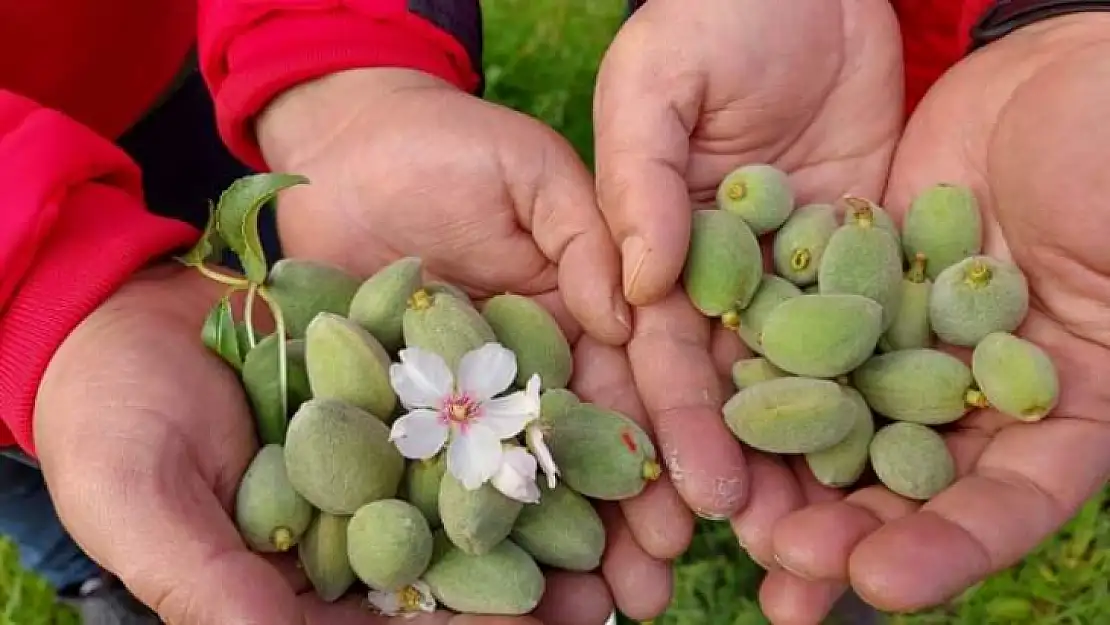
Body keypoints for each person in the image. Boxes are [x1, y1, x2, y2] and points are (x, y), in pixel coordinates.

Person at [2, 1, 1108, 624]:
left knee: (255, 262)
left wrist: (342, 78)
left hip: (170, 47)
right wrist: (37, 292)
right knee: (75, 478)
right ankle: (105, 574)